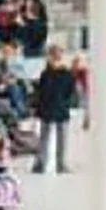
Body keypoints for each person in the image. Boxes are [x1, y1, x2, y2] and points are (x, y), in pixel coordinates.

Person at [32, 45, 76, 174]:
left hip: (58, 107)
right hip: (51, 107)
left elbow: (69, 91)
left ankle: (58, 163)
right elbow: (42, 92)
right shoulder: (47, 74)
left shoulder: (62, 74)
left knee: (56, 137)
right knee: (46, 137)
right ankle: (44, 163)